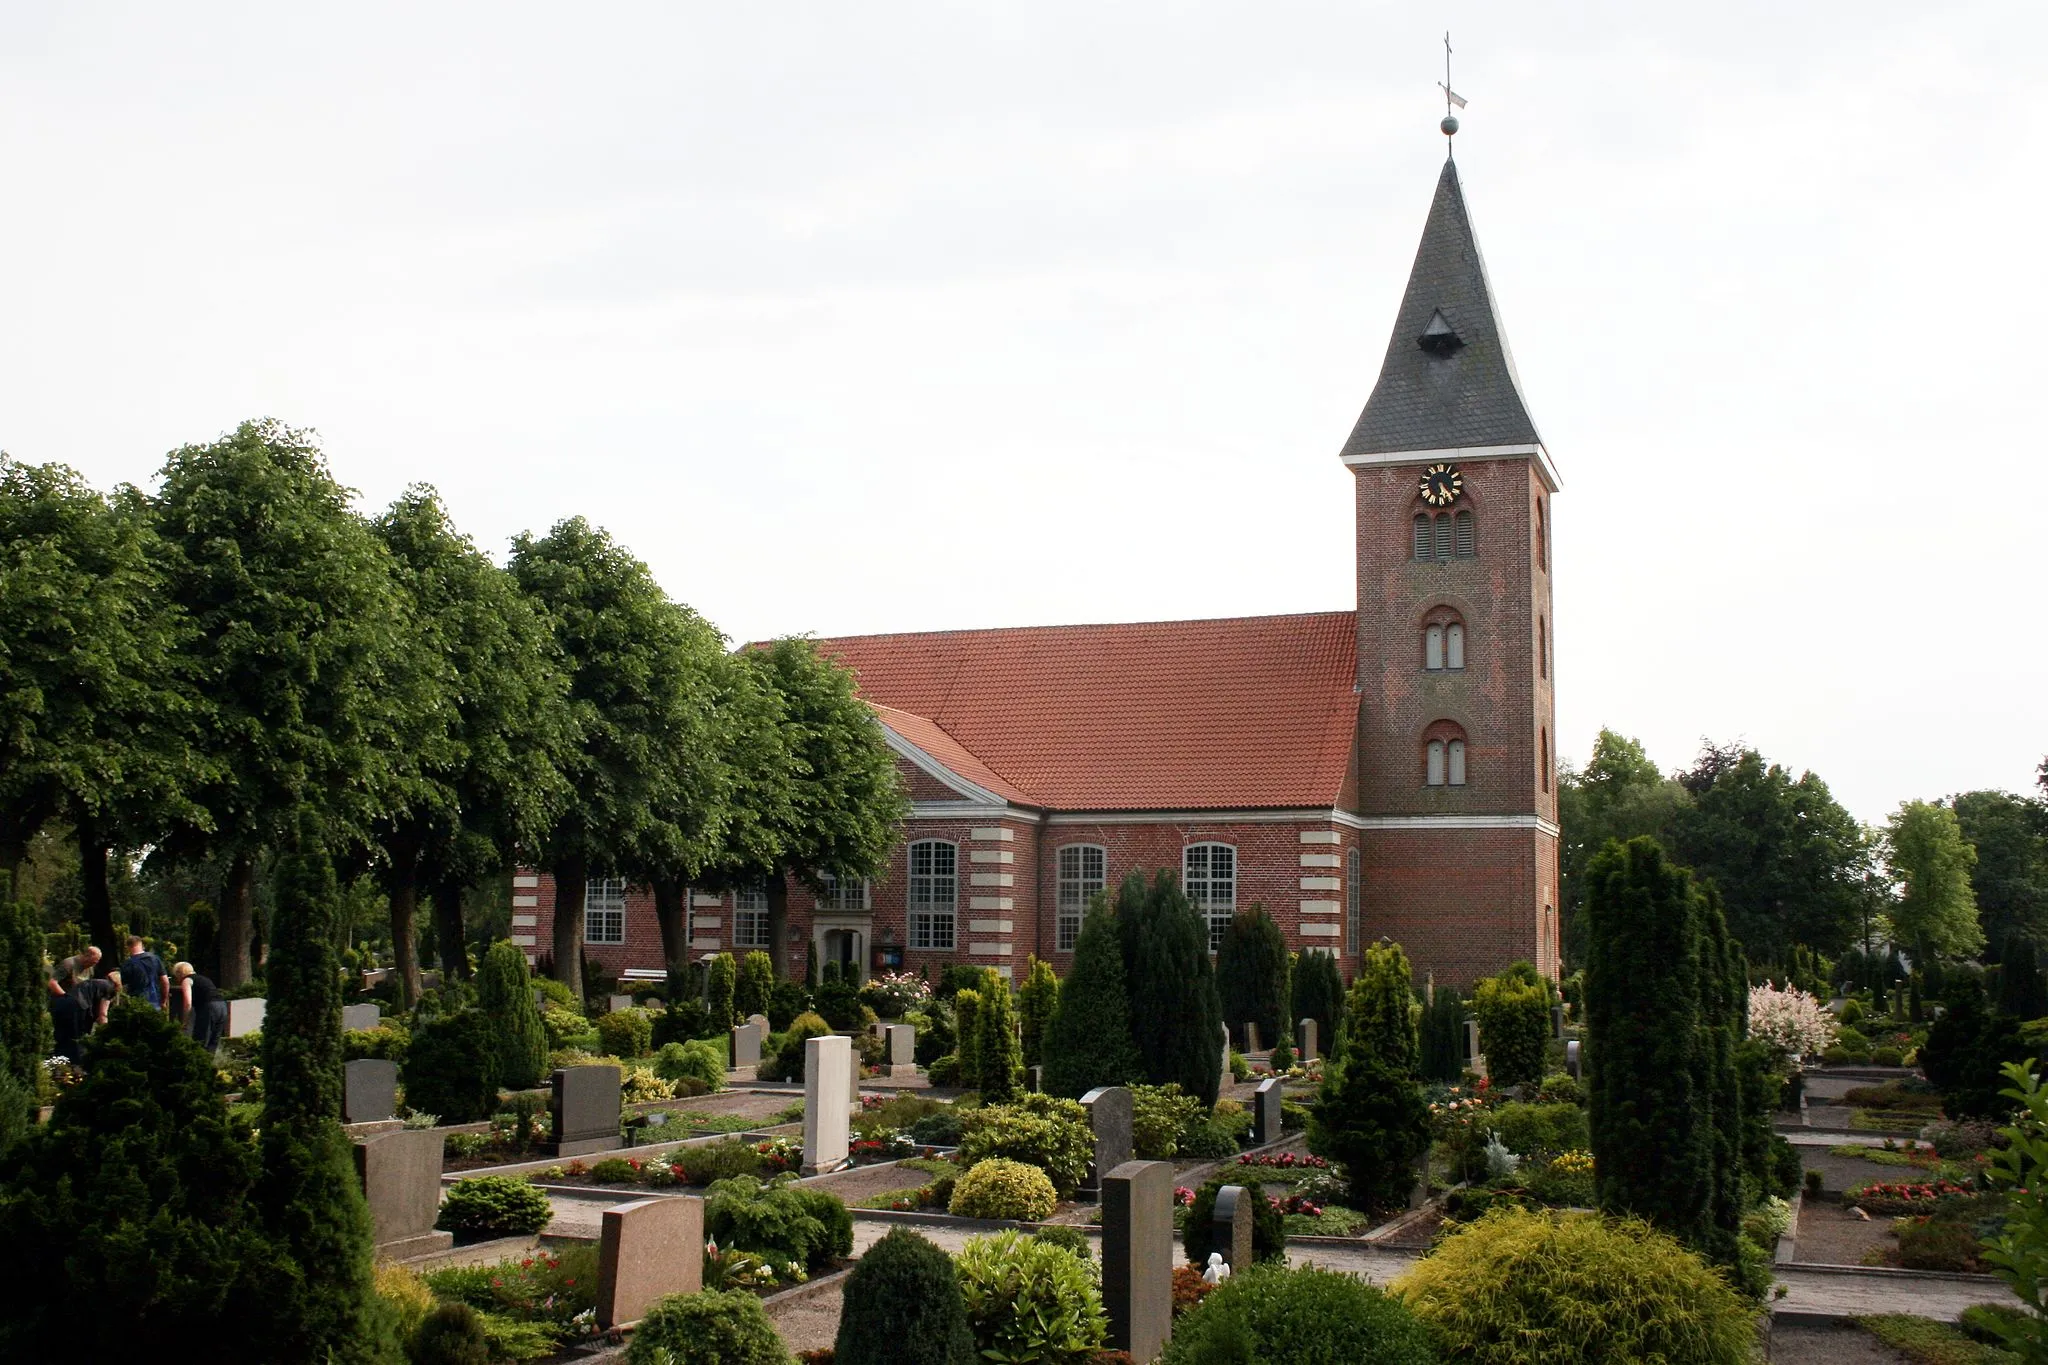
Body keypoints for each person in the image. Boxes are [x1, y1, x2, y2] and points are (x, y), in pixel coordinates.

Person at [49, 968, 118, 1063]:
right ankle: (75, 1068)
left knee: (62, 1037)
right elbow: (103, 1014)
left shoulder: (94, 982)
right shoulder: (110, 989)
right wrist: (106, 1034)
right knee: (77, 1040)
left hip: (62, 1002)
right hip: (77, 1007)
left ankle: (58, 1064)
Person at [171, 962, 226, 1053]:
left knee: (201, 1039)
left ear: (179, 973)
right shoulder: (204, 978)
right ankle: (209, 1063)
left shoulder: (187, 980)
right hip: (222, 1006)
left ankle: (199, 1062)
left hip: (209, 1007)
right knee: (214, 1040)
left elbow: (188, 1003)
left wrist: (185, 1022)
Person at [118, 936, 168, 1010]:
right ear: (142, 945)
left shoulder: (128, 964)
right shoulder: (155, 959)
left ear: (128, 947)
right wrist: (163, 1001)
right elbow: (165, 981)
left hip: (135, 1003)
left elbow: (122, 986)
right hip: (155, 1001)